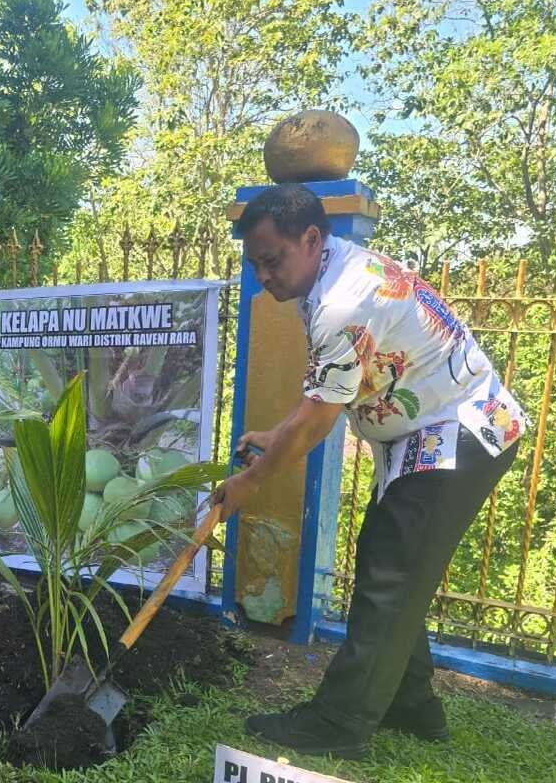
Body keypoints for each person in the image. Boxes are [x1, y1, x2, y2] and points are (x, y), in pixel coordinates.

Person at [213, 183, 526, 759]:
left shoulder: (343, 302)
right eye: (256, 264)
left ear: (311, 238)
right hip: (428, 434)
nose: (264, 277)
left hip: (459, 433)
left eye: (272, 260)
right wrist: (275, 435)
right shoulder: (331, 272)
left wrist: (248, 485)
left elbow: (316, 424)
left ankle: (337, 725)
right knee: (389, 565)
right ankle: (412, 708)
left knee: (390, 577)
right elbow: (323, 396)